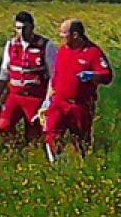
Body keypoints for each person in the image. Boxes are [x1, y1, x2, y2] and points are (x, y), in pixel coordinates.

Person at [42, 16, 113, 161]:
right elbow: (55, 76)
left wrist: (93, 75)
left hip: (80, 105)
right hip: (59, 102)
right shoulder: (62, 51)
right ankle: (55, 164)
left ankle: (80, 167)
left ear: (75, 35)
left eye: (63, 33)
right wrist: (48, 99)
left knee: (81, 140)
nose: (60, 36)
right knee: (51, 134)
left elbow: (107, 76)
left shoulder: (92, 52)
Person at [0, 10, 55, 146]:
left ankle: (31, 153)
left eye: (24, 28)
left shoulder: (45, 45)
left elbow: (53, 76)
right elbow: (5, 72)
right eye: (18, 28)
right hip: (15, 95)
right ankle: (16, 147)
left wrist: (48, 100)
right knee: (3, 125)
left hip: (35, 95)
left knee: (34, 132)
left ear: (32, 27)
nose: (21, 32)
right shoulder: (11, 45)